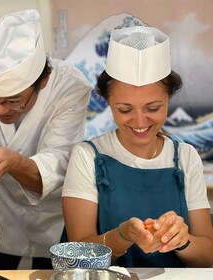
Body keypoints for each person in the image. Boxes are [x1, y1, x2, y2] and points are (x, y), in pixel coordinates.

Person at [0, 9, 91, 270]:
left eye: (13, 101)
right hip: (0, 211)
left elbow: (59, 158)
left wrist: (15, 164)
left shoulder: (69, 87)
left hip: (54, 214)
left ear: (41, 83)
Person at [62, 26, 213, 267]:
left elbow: (208, 258)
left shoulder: (185, 156)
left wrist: (182, 241)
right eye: (125, 110)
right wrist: (122, 236)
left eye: (153, 108)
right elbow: (78, 258)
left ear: (169, 100)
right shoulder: (88, 157)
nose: (140, 122)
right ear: (108, 103)